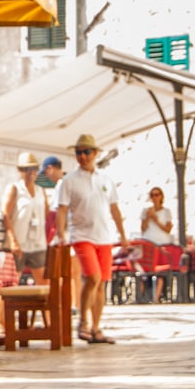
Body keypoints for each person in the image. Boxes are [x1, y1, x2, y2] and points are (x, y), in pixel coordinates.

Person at [57, 133, 128, 344]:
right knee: (93, 277)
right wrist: (62, 234)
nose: (82, 156)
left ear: (95, 153)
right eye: (79, 152)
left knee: (100, 284)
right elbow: (61, 210)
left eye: (86, 152)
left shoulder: (105, 180)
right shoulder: (68, 181)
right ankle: (82, 322)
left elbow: (114, 209)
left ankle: (96, 328)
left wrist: (122, 234)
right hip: (81, 235)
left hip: (103, 237)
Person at [1, 151, 48, 282]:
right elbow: (6, 214)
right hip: (18, 243)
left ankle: (44, 304)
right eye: (26, 169)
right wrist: (13, 241)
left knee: (44, 282)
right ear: (19, 170)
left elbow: (47, 213)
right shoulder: (14, 189)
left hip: (37, 243)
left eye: (34, 168)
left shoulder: (41, 191)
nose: (31, 172)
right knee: (11, 282)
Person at [140, 185, 174, 302]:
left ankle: (158, 296)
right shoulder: (146, 211)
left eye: (157, 195)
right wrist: (148, 218)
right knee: (146, 271)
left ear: (161, 196)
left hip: (162, 243)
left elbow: (168, 229)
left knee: (161, 272)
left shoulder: (166, 212)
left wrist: (156, 220)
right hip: (148, 243)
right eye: (152, 195)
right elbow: (143, 228)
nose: (155, 197)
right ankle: (145, 296)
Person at [37, 156, 63, 244]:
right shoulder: (60, 185)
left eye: (45, 173)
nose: (46, 177)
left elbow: (57, 212)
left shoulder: (62, 185)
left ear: (50, 168)